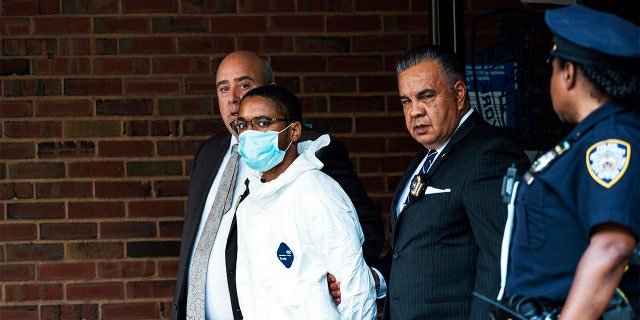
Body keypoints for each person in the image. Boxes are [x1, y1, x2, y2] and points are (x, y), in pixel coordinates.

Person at [170, 51, 384, 319]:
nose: (233, 98)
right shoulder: (208, 153)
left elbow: (358, 229)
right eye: (223, 88)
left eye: (244, 85)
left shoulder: (312, 156)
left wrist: (337, 278)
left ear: (270, 91)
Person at [492, 5, 639, 320]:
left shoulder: (610, 141)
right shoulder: (587, 139)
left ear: (568, 73)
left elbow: (612, 248)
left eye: (553, 67)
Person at [372, 45, 531, 320]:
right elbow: (419, 249)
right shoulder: (425, 157)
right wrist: (377, 279)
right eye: (406, 101)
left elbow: (503, 262)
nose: (414, 112)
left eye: (426, 96)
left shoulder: (489, 153)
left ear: (458, 94)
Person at [233, 84, 377, 319]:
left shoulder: (315, 191)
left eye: (262, 123)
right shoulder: (249, 206)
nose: (249, 134)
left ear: (294, 131)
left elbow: (356, 289)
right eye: (242, 125)